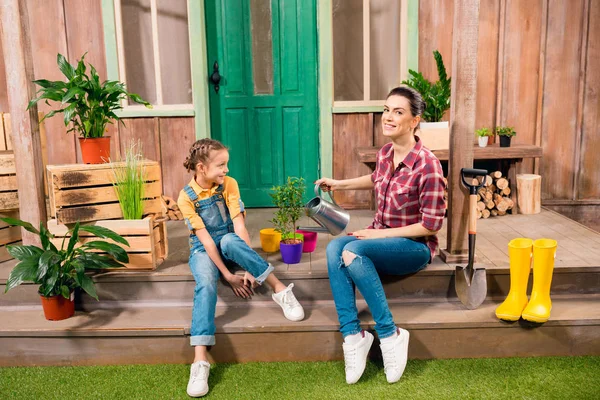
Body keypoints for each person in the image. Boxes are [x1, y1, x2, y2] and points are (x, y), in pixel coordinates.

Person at [315, 86, 446, 385]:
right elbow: (376, 179)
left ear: (414, 120)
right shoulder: (386, 152)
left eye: (398, 112)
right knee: (337, 249)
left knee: (354, 251)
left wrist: (376, 237)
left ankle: (390, 334)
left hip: (413, 247)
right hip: (381, 239)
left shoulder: (428, 165)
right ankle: (353, 335)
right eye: (387, 109)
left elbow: (431, 225)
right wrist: (339, 184)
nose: (388, 117)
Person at [178, 138, 305, 397]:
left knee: (228, 239)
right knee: (205, 285)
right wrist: (226, 275)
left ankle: (279, 289)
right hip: (204, 250)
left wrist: (249, 267)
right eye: (221, 165)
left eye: (226, 164)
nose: (226, 170)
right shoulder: (185, 197)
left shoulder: (229, 184)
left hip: (230, 243)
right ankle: (200, 359)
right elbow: (204, 241)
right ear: (201, 168)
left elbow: (239, 227)